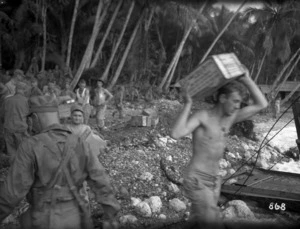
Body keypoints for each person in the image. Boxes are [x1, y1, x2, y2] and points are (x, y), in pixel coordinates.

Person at [0, 95, 120, 229]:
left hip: (44, 219)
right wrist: (111, 213)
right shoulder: (79, 142)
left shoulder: (30, 145)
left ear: (33, 119)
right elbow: (101, 180)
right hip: (78, 216)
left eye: (29, 120)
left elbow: (12, 192)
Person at [170, 68, 268, 229]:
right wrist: (188, 104)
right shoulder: (203, 116)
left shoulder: (229, 119)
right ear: (222, 98)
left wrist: (246, 79)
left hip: (214, 181)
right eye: (235, 101)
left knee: (197, 221)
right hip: (197, 179)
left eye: (240, 103)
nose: (238, 106)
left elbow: (262, 104)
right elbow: (176, 133)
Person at [3, 82, 30, 161]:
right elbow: (29, 117)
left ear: (15, 90)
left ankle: (13, 170)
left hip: (8, 128)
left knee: (11, 153)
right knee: (23, 153)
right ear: (24, 90)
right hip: (21, 130)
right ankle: (22, 170)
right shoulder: (26, 101)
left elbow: (2, 115)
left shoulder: (7, 100)